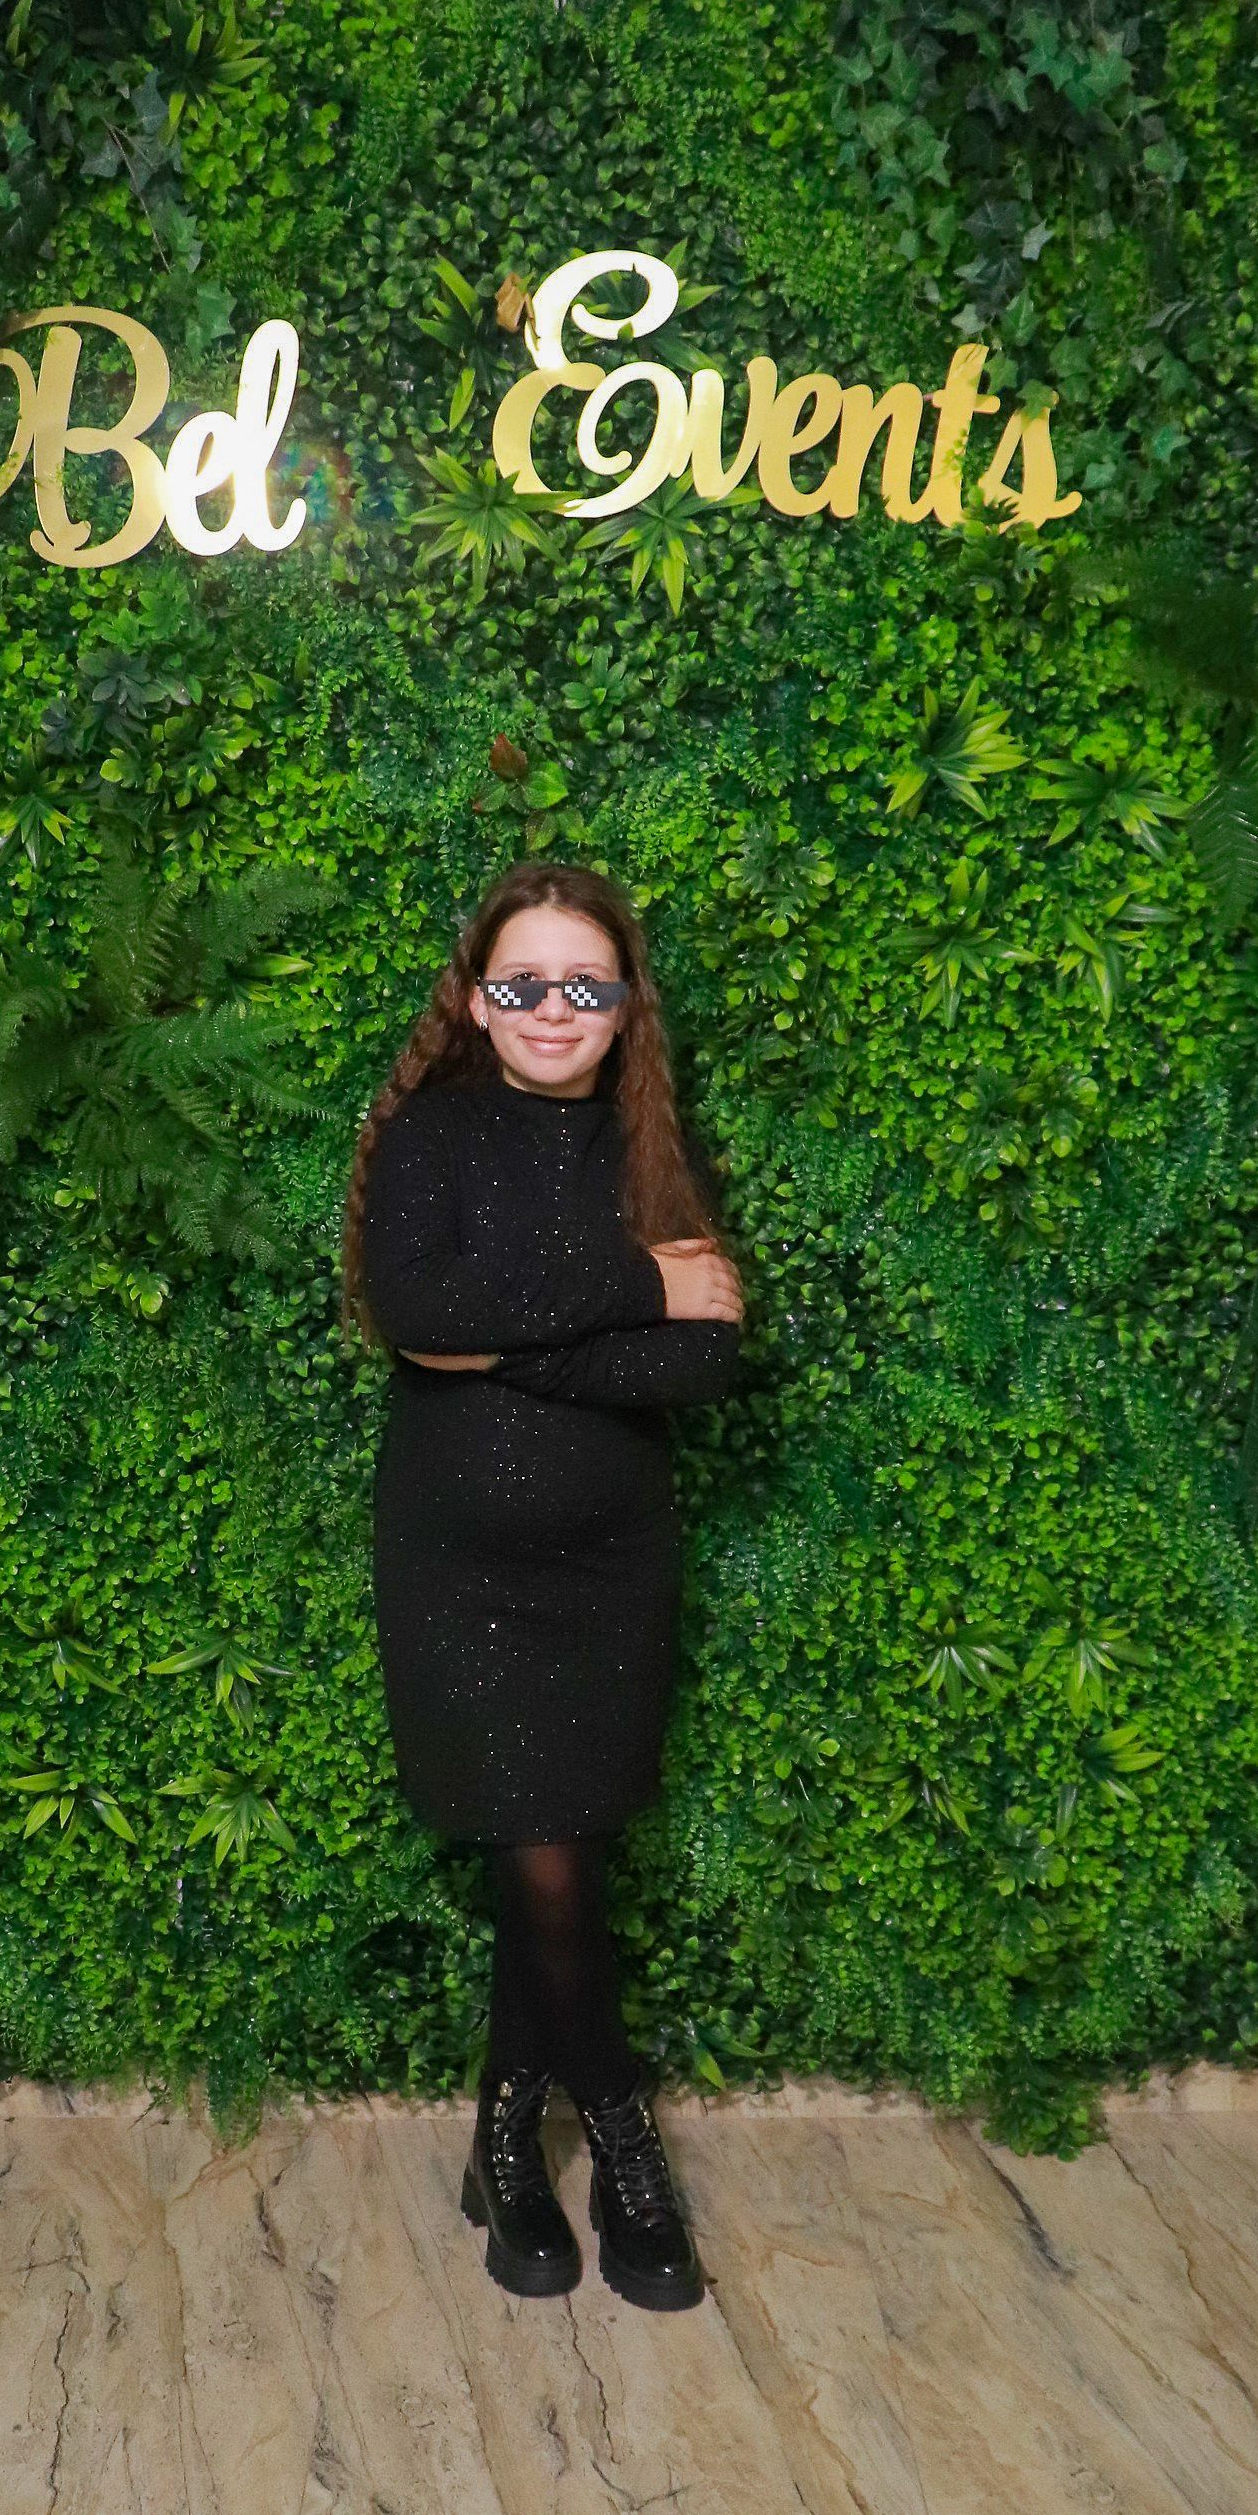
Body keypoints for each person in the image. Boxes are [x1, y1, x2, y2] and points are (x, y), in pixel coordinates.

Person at [341, 857, 747, 2316]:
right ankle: (623, 2134)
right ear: (477, 999)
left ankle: (507, 2136)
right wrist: (636, 1290)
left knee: (560, 1849)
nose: (554, 1009)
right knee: (545, 1856)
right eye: (524, 984)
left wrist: (496, 1347)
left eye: (586, 983)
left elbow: (705, 1361)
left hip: (611, 1572)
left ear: (625, 1004)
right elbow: (414, 1307)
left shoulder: (652, 1151)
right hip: (460, 1572)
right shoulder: (433, 1137)